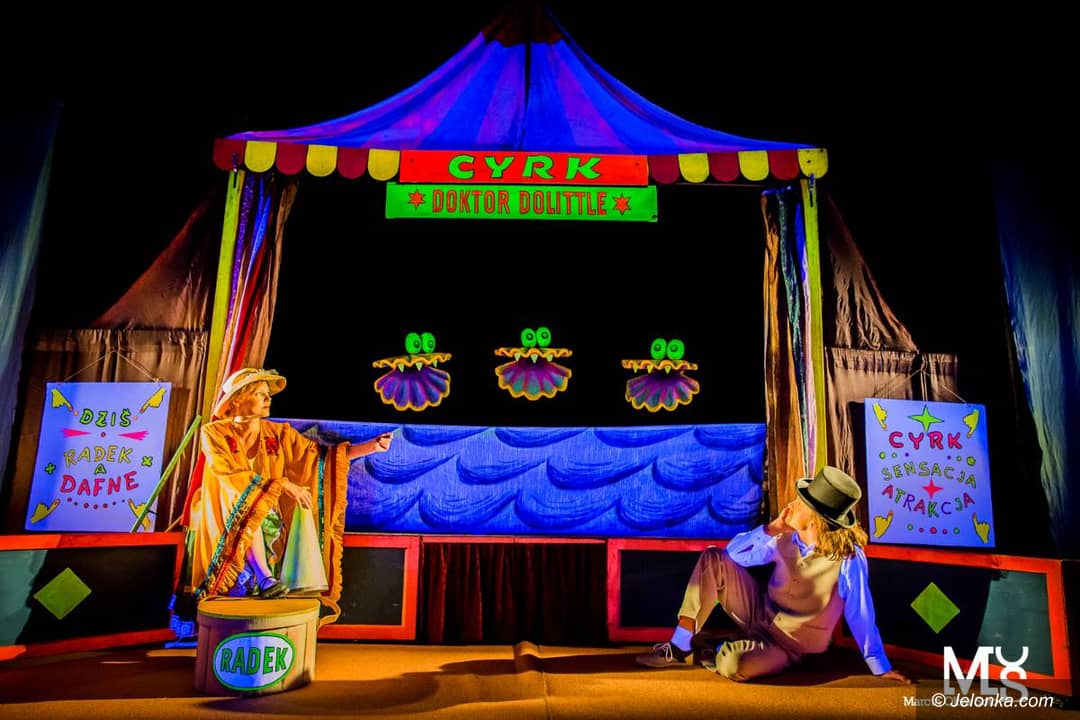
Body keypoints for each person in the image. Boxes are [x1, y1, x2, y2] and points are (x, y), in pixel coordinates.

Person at [636, 465, 910, 684]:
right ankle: (680, 645)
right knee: (714, 558)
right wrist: (771, 529)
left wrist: (880, 666)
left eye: (801, 503)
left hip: (789, 645)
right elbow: (733, 555)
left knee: (733, 665)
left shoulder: (848, 558)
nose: (793, 504)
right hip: (759, 614)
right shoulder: (784, 537)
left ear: (814, 518)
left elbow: (860, 612)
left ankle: (718, 649)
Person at [186, 368, 393, 622]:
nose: (267, 399)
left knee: (261, 507)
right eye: (259, 393)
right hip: (223, 516)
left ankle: (269, 581)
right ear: (237, 400)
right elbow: (230, 475)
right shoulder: (214, 433)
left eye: (267, 394)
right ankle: (264, 577)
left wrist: (371, 446)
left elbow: (317, 459)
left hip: (266, 517)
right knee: (250, 502)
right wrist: (282, 485)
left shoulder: (278, 434)